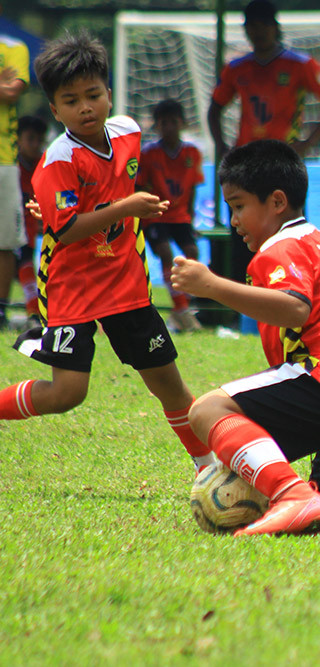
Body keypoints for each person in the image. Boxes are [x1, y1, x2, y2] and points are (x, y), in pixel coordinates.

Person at [0, 31, 215, 475]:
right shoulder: (58, 158)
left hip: (126, 284)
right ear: (54, 109)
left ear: (109, 94)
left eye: (93, 95)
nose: (85, 107)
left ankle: (209, 467)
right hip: (71, 286)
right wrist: (126, 206)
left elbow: (101, 188)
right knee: (67, 394)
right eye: (71, 100)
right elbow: (71, 229)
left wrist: (108, 205)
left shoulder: (130, 133)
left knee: (170, 386)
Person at [170, 139, 320, 536]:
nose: (234, 220)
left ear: (277, 202)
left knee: (207, 412)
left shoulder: (281, 246)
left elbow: (294, 307)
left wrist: (211, 285)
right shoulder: (313, 239)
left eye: (239, 206)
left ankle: (290, 495)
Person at [207, 0, 320, 282]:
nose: (257, 33)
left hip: (283, 160)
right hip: (246, 163)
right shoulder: (237, 68)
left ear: (275, 28)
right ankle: (242, 300)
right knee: (242, 230)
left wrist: (308, 142)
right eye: (251, 27)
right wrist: (221, 146)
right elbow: (214, 108)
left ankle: (292, 287)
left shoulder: (299, 65)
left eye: (263, 26)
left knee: (289, 228)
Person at [137, 99, 204, 332]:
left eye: (173, 122)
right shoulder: (149, 154)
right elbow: (141, 186)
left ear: (182, 123)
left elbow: (194, 187)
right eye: (163, 123)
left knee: (193, 253)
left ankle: (186, 304)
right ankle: (182, 308)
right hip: (157, 215)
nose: (169, 128)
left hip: (180, 216)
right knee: (166, 252)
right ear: (157, 126)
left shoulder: (192, 153)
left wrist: (191, 218)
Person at [0, 26, 28, 329]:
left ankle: (0, 309)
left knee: (5, 241)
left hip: (3, 161)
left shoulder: (13, 47)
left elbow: (11, 91)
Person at [15, 115, 46, 328]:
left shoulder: (46, 165)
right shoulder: (11, 168)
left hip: (32, 230)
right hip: (16, 228)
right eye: (30, 139)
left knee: (28, 263)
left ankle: (35, 313)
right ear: (18, 140)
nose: (35, 145)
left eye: (39, 140)